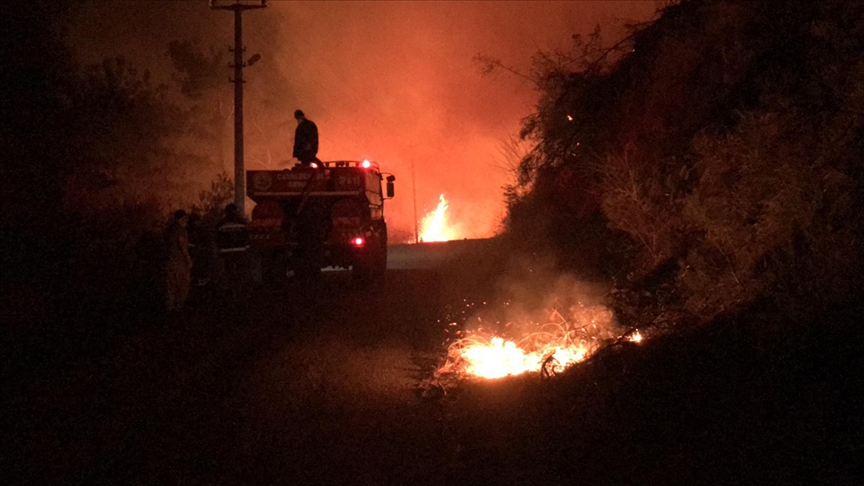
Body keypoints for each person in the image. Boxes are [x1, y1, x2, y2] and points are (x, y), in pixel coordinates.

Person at [163, 209, 192, 312]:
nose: (187, 221)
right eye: (186, 219)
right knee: (182, 284)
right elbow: (182, 245)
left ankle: (169, 309)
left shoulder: (169, 229)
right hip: (179, 262)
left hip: (168, 261)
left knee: (170, 286)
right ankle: (178, 308)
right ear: (182, 219)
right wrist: (188, 259)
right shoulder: (180, 230)